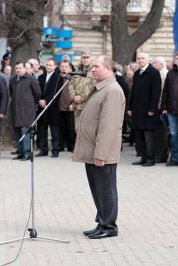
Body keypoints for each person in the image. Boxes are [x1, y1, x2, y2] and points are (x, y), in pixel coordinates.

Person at [72, 55, 125, 239]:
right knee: (97, 189)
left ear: (108, 69)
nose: (92, 69)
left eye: (96, 66)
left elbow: (108, 126)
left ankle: (109, 226)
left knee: (106, 190)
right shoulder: (101, 88)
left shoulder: (112, 90)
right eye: (92, 67)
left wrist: (101, 154)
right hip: (92, 149)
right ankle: (102, 221)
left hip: (102, 152)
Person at [127, 52, 162, 167]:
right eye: (139, 58)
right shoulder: (137, 74)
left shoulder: (154, 73)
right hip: (137, 110)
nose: (141, 60)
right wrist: (130, 107)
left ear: (148, 60)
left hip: (148, 111)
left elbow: (156, 92)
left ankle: (150, 159)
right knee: (139, 135)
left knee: (148, 137)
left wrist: (152, 108)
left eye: (143, 58)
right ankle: (143, 157)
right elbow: (133, 92)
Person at [10, 61, 41, 161]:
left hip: (27, 111)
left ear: (24, 68)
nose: (18, 70)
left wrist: (30, 104)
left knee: (25, 132)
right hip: (16, 111)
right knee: (17, 132)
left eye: (20, 68)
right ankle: (20, 152)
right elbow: (11, 93)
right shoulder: (13, 80)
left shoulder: (31, 79)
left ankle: (27, 153)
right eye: (16, 68)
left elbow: (38, 94)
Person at [35, 58, 61, 157]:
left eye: (50, 65)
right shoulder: (41, 77)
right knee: (42, 130)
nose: (48, 67)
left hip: (52, 107)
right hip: (42, 107)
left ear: (54, 66)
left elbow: (56, 93)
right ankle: (43, 149)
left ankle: (55, 150)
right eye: (47, 65)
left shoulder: (58, 78)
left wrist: (46, 100)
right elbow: (37, 91)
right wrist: (40, 100)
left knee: (54, 130)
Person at [69, 51, 96, 132]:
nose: (85, 60)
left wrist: (83, 97)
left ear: (91, 59)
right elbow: (70, 85)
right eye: (84, 58)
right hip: (77, 106)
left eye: (87, 58)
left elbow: (94, 87)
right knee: (78, 129)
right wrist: (74, 97)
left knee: (88, 130)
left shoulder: (94, 71)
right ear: (81, 59)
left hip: (88, 105)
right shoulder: (77, 72)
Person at [152, 56, 169, 163]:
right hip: (159, 107)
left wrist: (163, 107)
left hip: (162, 108)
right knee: (158, 133)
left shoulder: (164, 74)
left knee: (162, 133)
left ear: (161, 64)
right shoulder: (159, 73)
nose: (153, 64)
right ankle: (159, 153)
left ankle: (162, 155)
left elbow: (163, 93)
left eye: (155, 63)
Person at [58, 60, 76, 152]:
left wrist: (73, 103)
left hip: (69, 107)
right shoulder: (57, 78)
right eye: (62, 66)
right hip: (59, 107)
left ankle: (71, 146)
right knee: (60, 128)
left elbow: (77, 92)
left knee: (70, 128)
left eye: (66, 66)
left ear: (69, 68)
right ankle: (60, 145)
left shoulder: (72, 78)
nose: (64, 68)